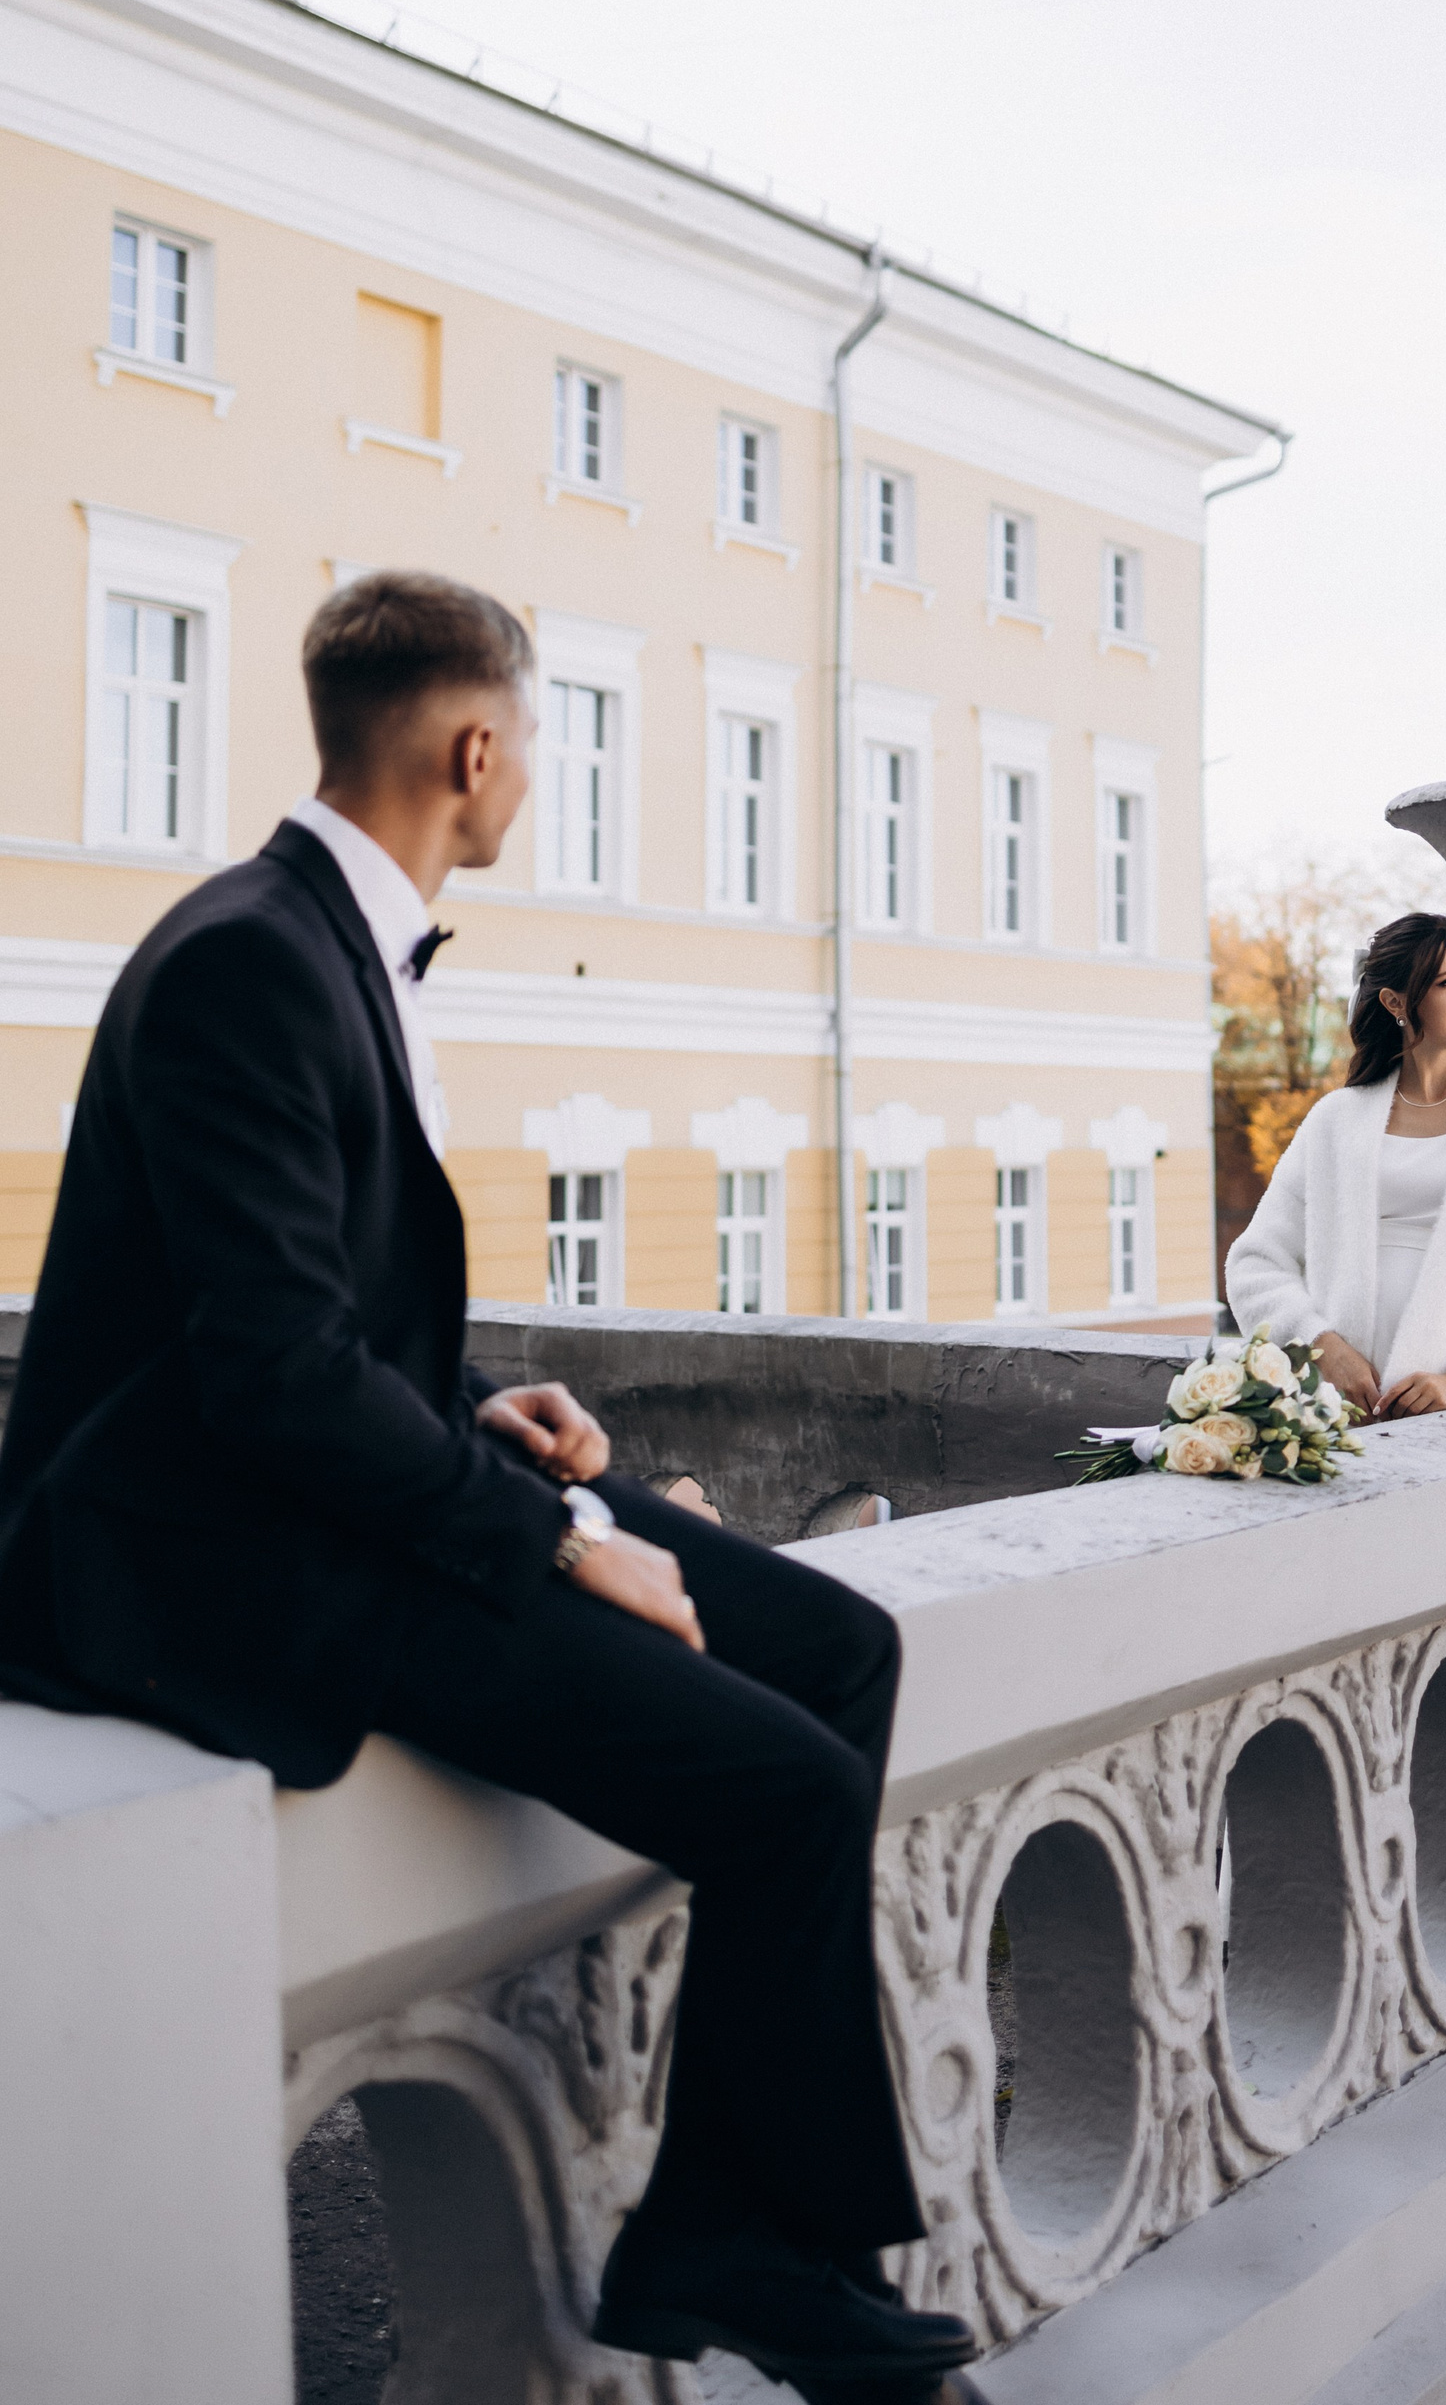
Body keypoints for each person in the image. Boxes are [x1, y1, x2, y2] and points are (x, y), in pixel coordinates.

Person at [0, 571, 975, 2400]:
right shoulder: (246, 961)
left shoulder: (316, 940)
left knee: (838, 1651)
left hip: (331, 1476)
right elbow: (267, 1378)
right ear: (473, 749)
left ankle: (749, 2227)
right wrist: (550, 1543)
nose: (535, 771)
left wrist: (483, 1411)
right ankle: (751, 2254)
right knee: (784, 1788)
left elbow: (316, 1321)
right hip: (223, 1553)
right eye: (535, 739)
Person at [1225, 912, 1446, 1418]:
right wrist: (1317, 1347)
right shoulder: (1336, 1119)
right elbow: (1256, 1263)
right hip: (1336, 1408)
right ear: (1395, 1001)